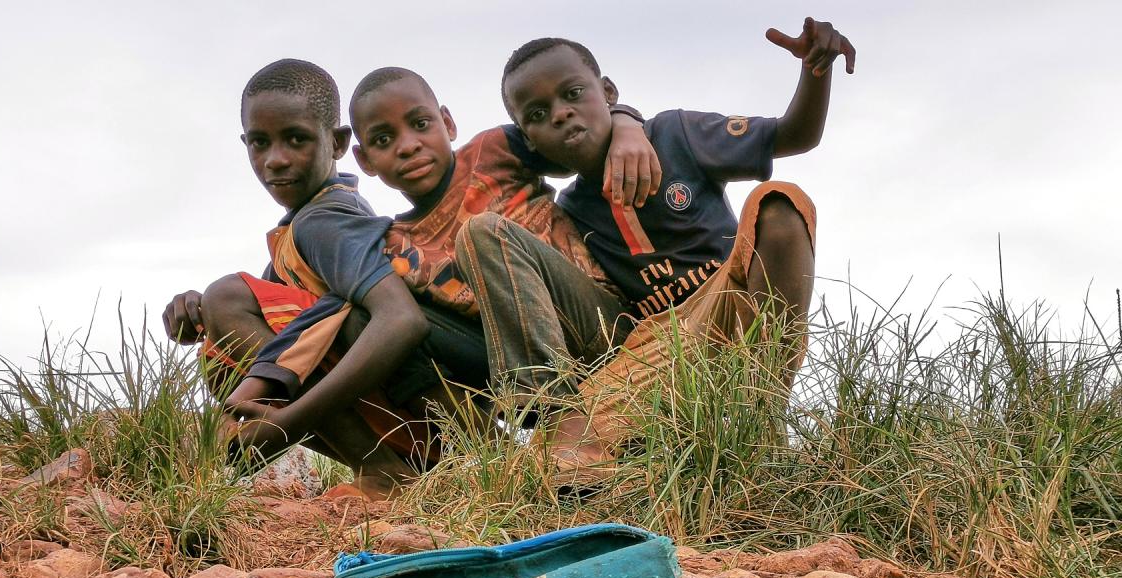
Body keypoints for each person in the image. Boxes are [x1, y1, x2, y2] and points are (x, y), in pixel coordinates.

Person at [454, 20, 856, 475]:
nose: (561, 114)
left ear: (607, 92)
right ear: (529, 139)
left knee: (780, 202)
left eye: (573, 94)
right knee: (484, 231)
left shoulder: (674, 135)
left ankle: (763, 415)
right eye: (538, 114)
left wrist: (816, 70)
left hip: (729, 305)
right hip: (651, 346)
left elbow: (796, 134)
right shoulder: (569, 213)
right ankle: (554, 412)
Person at [229, 65, 660, 443]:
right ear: (364, 160)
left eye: (420, 124)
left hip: (597, 325)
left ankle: (554, 414)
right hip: (504, 360)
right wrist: (258, 383)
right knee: (364, 315)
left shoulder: (495, 151)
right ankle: (476, 447)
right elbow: (325, 309)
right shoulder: (392, 242)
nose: (407, 146)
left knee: (483, 232)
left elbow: (578, 138)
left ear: (448, 123)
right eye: (383, 139)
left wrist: (626, 121)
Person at [161, 58, 438, 498]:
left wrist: (290, 422)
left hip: (435, 411)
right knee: (222, 339)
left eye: (296, 139)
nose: (275, 160)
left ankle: (382, 471)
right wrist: (199, 311)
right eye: (260, 142)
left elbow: (402, 319)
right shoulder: (304, 226)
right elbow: (281, 316)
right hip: (415, 423)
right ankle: (390, 465)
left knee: (228, 298)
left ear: (338, 142)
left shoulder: (326, 220)